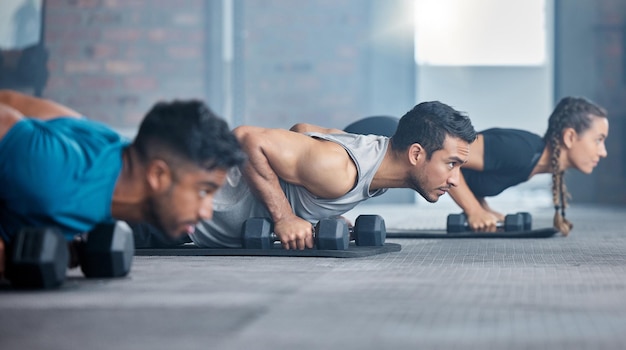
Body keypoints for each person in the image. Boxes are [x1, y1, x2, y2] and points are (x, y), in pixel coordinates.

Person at [0, 89, 245, 275]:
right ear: (158, 175)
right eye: (203, 191)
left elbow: (13, 101)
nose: (206, 212)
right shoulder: (53, 172)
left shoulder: (105, 142)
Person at [184, 101, 476, 250]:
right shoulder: (339, 169)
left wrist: (308, 203)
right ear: (415, 155)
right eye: (451, 164)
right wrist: (284, 216)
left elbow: (302, 130)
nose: (454, 179)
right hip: (176, 205)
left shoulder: (371, 160)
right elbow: (246, 138)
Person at [338, 96, 609, 235]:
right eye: (598, 140)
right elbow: (453, 154)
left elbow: (464, 171)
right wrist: (472, 211)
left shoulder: (532, 161)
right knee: (329, 181)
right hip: (379, 138)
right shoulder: (522, 150)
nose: (603, 151)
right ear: (571, 137)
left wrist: (485, 210)